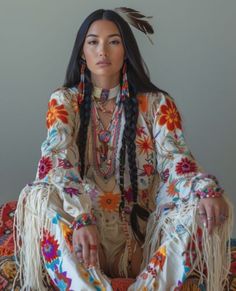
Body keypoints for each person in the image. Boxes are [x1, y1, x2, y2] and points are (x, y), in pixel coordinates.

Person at [14, 8, 233, 291]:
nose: (102, 50)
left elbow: (176, 159)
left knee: (206, 204)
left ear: (126, 50)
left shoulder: (157, 104)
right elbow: (56, 159)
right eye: (93, 42)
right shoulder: (64, 101)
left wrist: (205, 190)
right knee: (40, 197)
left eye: (113, 41)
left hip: (140, 240)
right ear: (82, 52)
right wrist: (81, 218)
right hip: (84, 238)